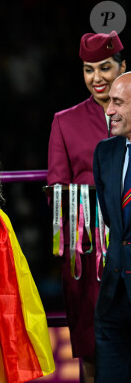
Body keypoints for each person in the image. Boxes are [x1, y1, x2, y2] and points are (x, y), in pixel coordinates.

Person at [47, 30, 126, 381]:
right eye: (88, 69)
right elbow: (56, 191)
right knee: (93, 349)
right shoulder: (65, 121)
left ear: (123, 67)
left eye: (105, 68)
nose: (97, 78)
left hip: (126, 245)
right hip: (88, 255)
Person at [93, 71, 131, 382]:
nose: (109, 111)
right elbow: (111, 220)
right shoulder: (105, 152)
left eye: (117, 103)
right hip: (113, 294)